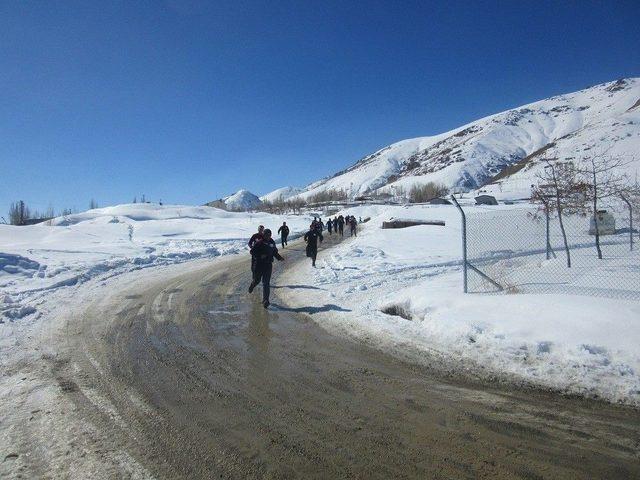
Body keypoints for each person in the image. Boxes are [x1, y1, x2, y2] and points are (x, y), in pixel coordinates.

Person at [248, 229, 284, 308]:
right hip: (259, 265)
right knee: (257, 280)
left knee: (266, 283)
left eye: (269, 235)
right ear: (263, 235)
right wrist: (260, 256)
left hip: (268, 265)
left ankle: (266, 300)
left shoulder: (272, 242)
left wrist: (279, 258)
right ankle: (252, 285)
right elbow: (252, 252)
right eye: (266, 235)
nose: (268, 237)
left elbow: (274, 252)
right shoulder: (259, 242)